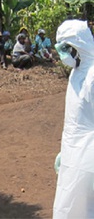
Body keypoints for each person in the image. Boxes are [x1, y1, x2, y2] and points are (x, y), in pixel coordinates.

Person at [52, 19, 94, 218]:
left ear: (78, 46)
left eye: (64, 48)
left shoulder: (93, 76)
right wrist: (65, 151)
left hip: (89, 159)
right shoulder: (76, 73)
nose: (62, 54)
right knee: (68, 207)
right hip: (73, 154)